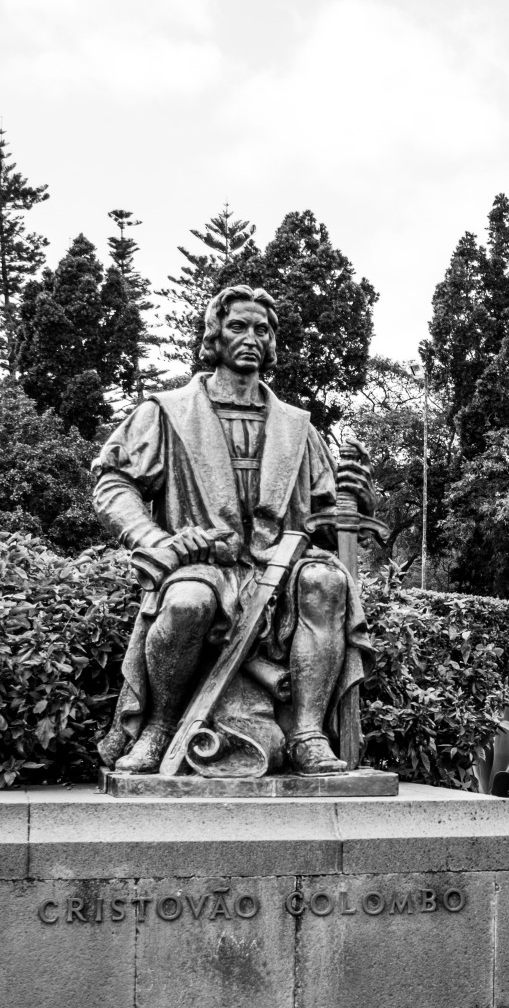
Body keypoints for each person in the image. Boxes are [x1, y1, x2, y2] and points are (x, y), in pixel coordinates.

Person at [91, 284, 375, 777]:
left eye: (261, 330)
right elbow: (114, 483)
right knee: (186, 603)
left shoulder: (298, 427)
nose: (250, 337)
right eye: (237, 325)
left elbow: (327, 525)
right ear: (214, 335)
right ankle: (160, 728)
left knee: (326, 582)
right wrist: (155, 541)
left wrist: (354, 502)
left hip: (281, 565)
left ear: (271, 345)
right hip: (204, 565)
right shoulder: (168, 412)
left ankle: (308, 734)